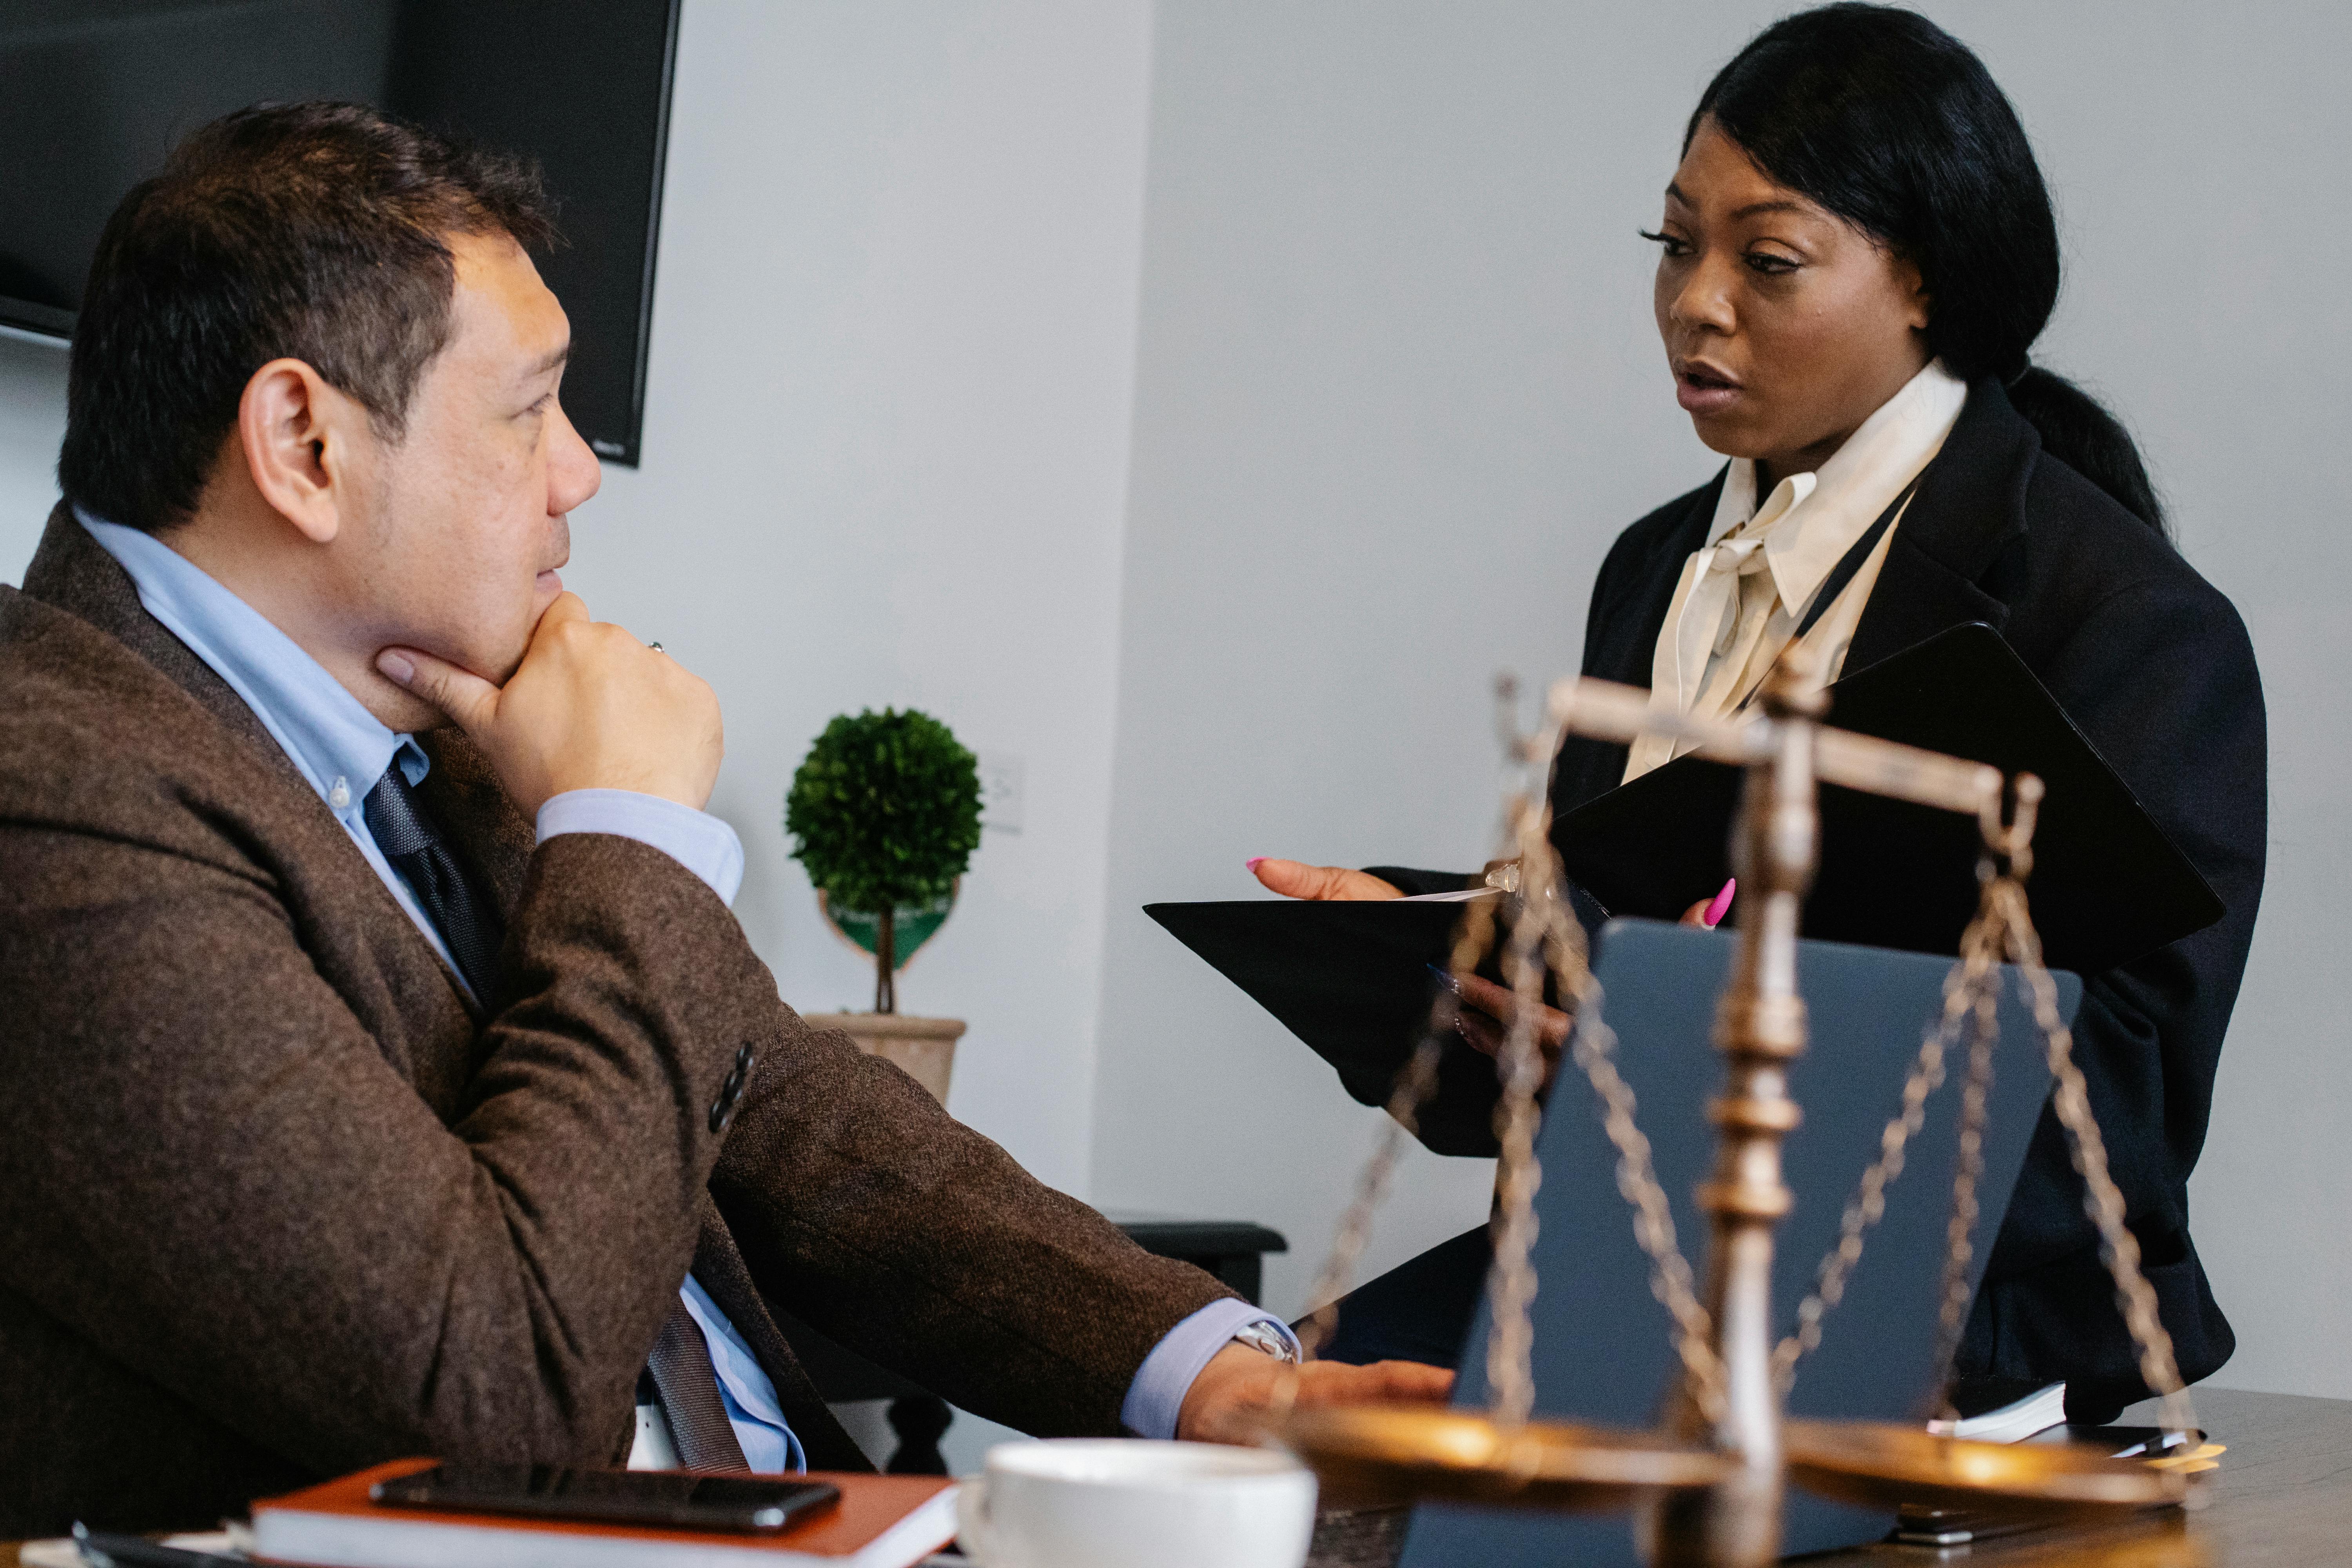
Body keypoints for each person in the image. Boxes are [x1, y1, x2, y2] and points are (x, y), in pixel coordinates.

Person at [0, 103, 1448, 1537]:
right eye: (527, 410)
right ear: (304, 443)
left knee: (1457, 1514)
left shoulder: (433, 733)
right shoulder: (53, 794)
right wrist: (623, 832)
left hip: (822, 1520)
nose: (577, 473)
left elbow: (782, 1111)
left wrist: (1206, 1380)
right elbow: (493, 1398)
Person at [1254, 3, 2264, 1424]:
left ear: (1926, 284)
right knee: (1225, 1424)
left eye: (1767, 259)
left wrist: (1672, 1028)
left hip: (1948, 1339)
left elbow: (2124, 1125)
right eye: (1675, 245)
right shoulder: (1654, 564)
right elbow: (1621, 967)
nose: (1695, 302)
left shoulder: (2127, 623)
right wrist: (1441, 960)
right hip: (1640, 1272)